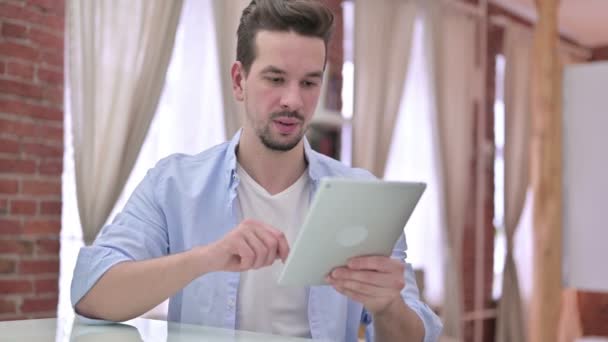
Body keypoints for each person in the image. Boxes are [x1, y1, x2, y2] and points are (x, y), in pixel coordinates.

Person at [71, 0, 442, 341]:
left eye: (309, 82)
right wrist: (208, 258)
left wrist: (387, 307)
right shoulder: (174, 185)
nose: (293, 101)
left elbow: (414, 335)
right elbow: (90, 293)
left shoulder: (364, 197)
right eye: (276, 79)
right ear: (239, 81)